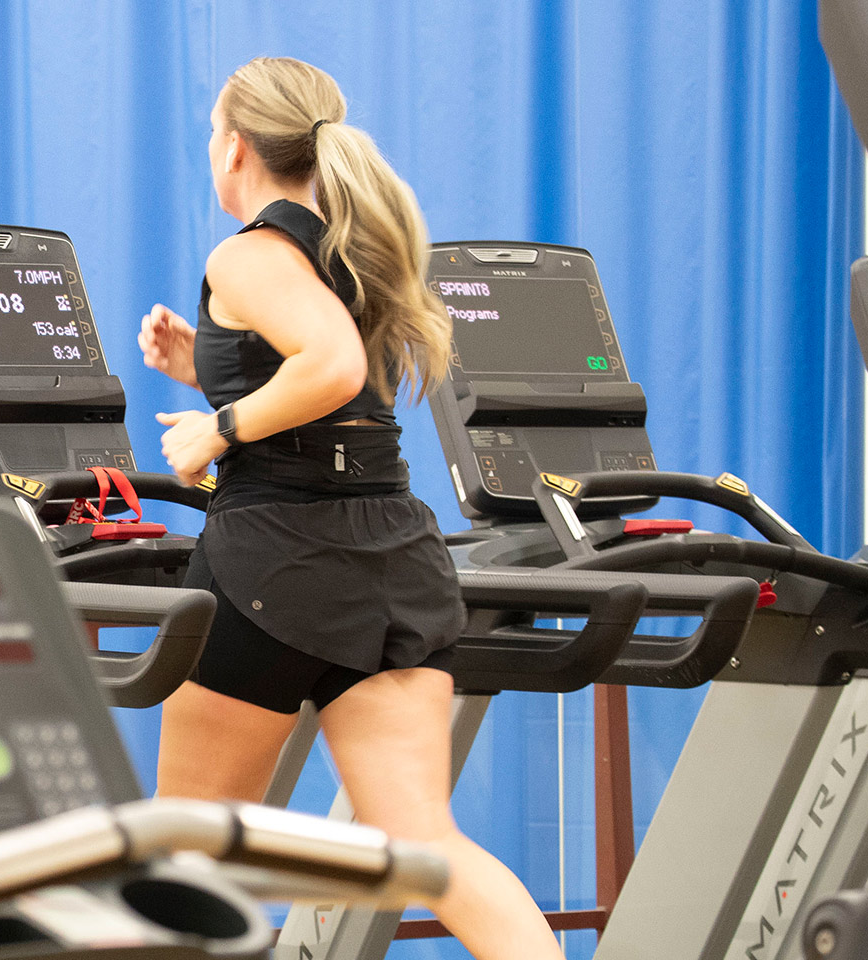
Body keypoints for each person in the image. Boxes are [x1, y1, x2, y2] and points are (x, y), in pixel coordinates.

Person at [138, 56, 562, 959]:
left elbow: (327, 365)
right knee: (426, 848)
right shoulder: (351, 248)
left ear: (237, 149)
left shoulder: (250, 253)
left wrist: (218, 425)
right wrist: (210, 363)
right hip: (388, 562)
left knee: (186, 859)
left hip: (274, 570)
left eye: (213, 136)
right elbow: (340, 387)